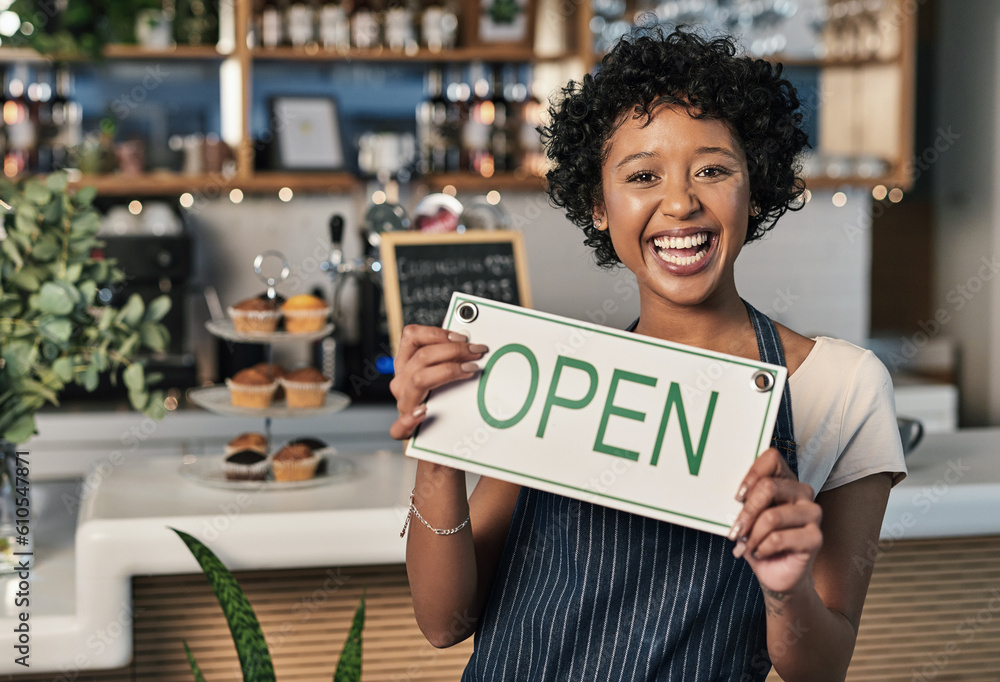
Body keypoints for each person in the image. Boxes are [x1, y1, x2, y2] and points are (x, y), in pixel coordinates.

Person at [390, 28, 906, 681]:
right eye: (642, 175)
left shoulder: (841, 387)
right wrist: (436, 456)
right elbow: (445, 624)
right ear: (599, 205)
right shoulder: (550, 371)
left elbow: (822, 665)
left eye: (713, 169)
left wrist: (784, 589)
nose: (681, 202)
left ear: (756, 186)